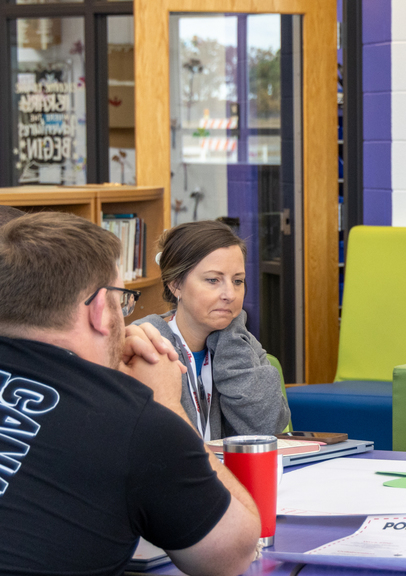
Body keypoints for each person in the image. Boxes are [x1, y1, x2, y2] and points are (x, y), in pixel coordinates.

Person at [0, 212, 260, 575]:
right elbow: (234, 553)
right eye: (121, 300)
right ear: (97, 311)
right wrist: (166, 404)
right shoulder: (133, 422)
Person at [135, 220, 290, 440]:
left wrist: (231, 334)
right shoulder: (145, 345)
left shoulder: (242, 343)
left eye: (238, 281)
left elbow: (267, 428)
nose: (230, 294)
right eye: (213, 280)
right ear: (175, 284)